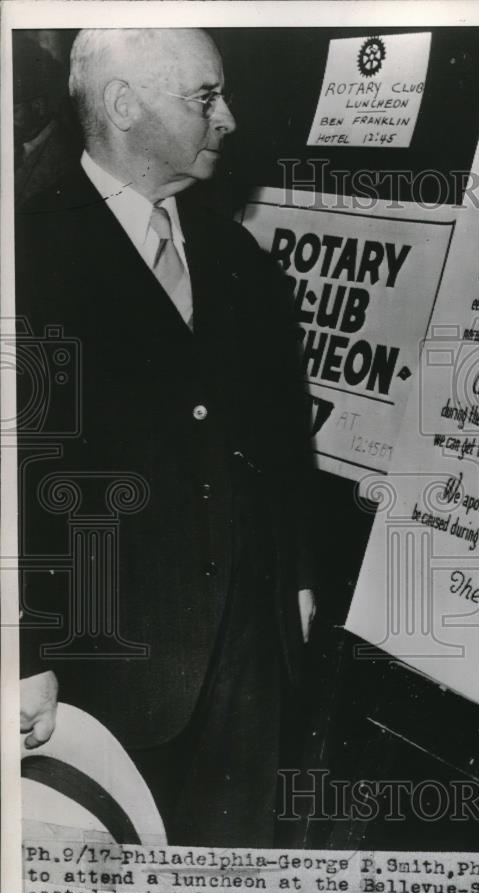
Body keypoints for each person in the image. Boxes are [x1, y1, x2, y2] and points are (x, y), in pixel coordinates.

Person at [17, 28, 317, 847]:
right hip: (107, 672)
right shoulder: (29, 256)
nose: (229, 117)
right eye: (204, 97)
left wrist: (294, 579)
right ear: (123, 105)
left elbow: (284, 437)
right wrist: (23, 653)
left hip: (248, 662)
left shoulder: (239, 260)